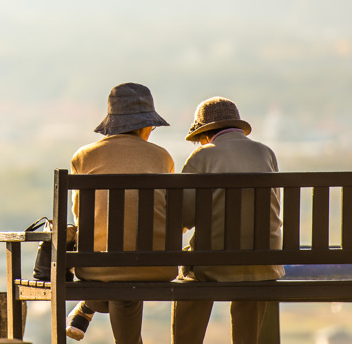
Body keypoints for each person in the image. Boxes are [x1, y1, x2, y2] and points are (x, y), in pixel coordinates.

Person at [66, 82, 176, 344]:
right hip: (157, 267)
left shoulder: (82, 157)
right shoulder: (162, 158)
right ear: (145, 125)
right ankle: (90, 311)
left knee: (116, 272)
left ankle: (87, 307)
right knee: (128, 273)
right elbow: (173, 216)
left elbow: (81, 217)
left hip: (96, 268)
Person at [171, 97, 283, 344]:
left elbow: (183, 218)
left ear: (206, 133)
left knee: (189, 277)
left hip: (214, 264)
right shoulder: (266, 152)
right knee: (252, 278)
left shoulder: (202, 156)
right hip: (264, 263)